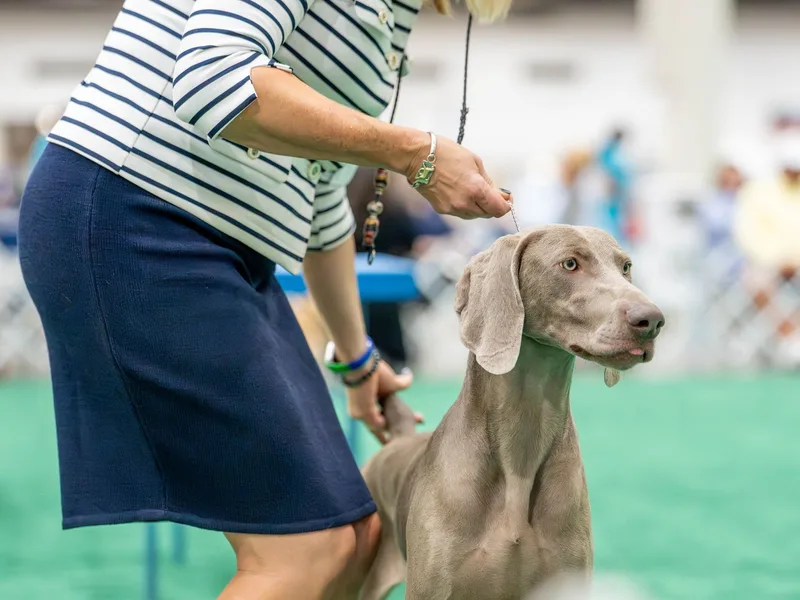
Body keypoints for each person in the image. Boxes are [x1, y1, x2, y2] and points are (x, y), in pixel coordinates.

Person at [16, 0, 513, 598]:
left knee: (356, 536)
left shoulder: (392, 19)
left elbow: (321, 199)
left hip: (221, 245)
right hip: (136, 216)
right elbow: (214, 81)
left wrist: (357, 362)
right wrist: (414, 152)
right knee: (305, 550)